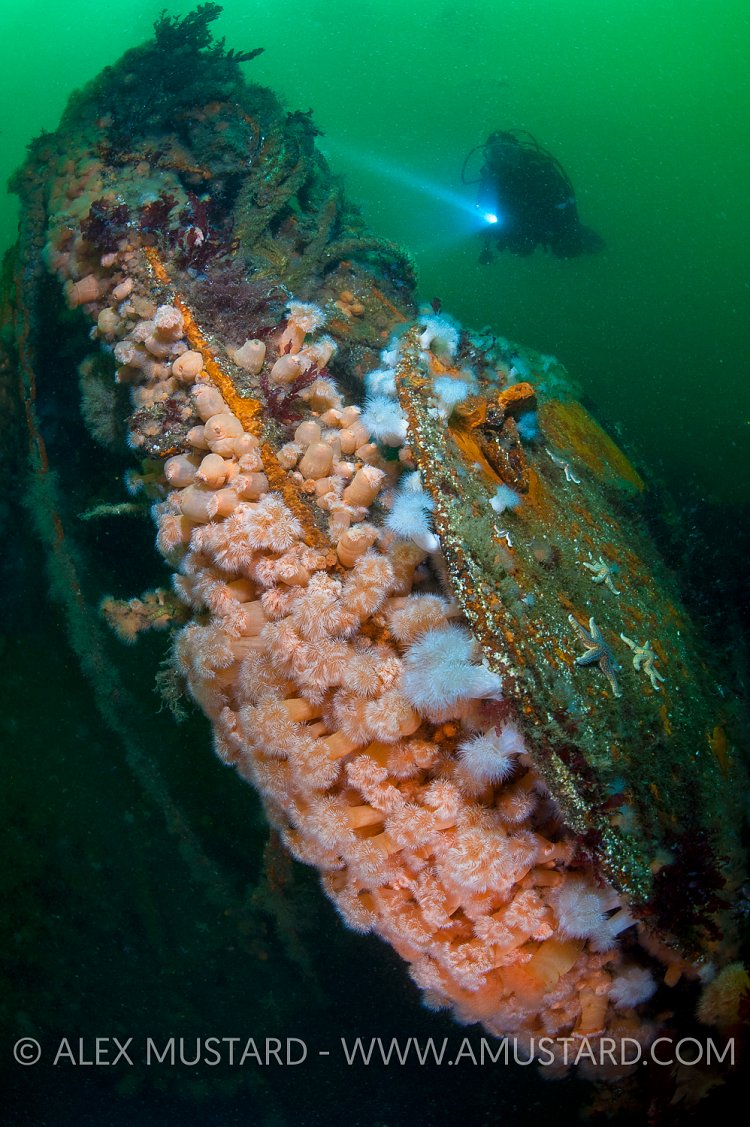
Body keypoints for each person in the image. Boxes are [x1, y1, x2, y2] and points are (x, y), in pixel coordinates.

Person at [465, 130, 604, 262]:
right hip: (516, 226)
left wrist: (567, 226)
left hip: (550, 221)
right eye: (496, 153)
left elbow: (564, 200)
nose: (503, 158)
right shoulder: (490, 176)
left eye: (508, 151)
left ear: (518, 151)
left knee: (567, 250)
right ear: (488, 157)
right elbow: (482, 208)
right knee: (519, 249)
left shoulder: (539, 168)